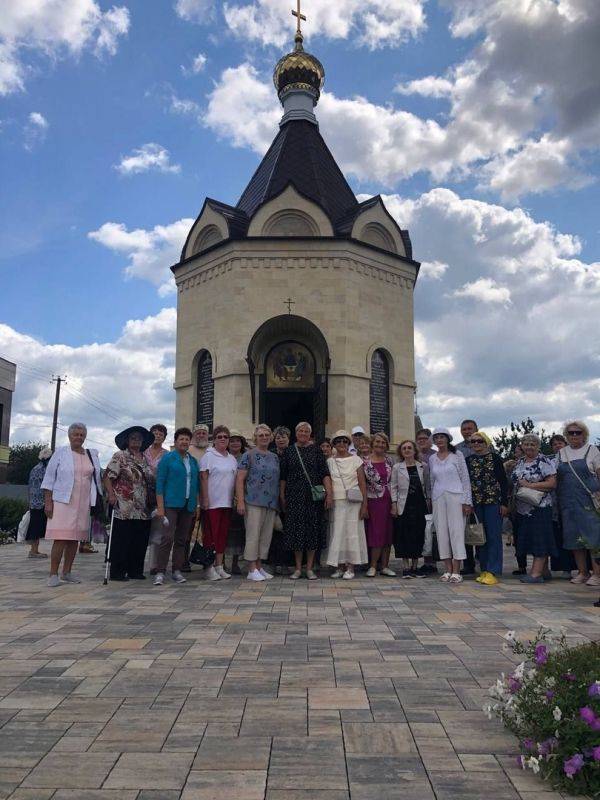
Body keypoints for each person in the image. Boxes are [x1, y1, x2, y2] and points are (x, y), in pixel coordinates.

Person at [41, 422, 102, 587]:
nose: (79, 437)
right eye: (76, 434)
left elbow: (97, 478)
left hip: (83, 503)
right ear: (69, 436)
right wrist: (48, 501)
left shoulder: (91, 455)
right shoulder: (61, 453)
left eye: (82, 435)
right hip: (62, 501)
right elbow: (49, 479)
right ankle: (53, 574)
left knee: (75, 539)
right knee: (61, 538)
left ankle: (67, 572)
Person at [279, 421, 332, 580]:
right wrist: (282, 495)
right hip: (294, 497)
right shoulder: (289, 452)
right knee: (296, 531)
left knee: (312, 530)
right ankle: (297, 568)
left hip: (313, 498)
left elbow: (325, 474)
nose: (303, 434)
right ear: (296, 434)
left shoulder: (317, 451)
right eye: (300, 431)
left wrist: (329, 493)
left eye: (306, 431)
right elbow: (283, 476)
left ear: (310, 434)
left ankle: (309, 568)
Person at [104, 426, 155, 581]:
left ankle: (135, 570)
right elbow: (107, 476)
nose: (136, 441)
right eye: (133, 438)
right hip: (124, 504)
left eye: (139, 439)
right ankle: (117, 571)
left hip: (143, 507)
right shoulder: (120, 456)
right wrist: (111, 494)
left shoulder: (145, 459)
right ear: (127, 440)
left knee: (139, 539)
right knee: (122, 539)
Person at [556, 421, 600, 586]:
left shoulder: (592, 450)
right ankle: (582, 572)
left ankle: (597, 573)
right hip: (568, 501)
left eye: (578, 432)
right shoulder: (561, 453)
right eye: (571, 433)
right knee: (574, 538)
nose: (574, 435)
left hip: (588, 501)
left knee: (593, 538)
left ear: (585, 434)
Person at [155, 427, 200, 586]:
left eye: (187, 439)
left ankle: (177, 570)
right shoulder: (168, 458)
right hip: (171, 504)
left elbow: (196, 484)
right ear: (175, 441)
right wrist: (160, 507)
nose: (184, 442)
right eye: (181, 439)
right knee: (167, 537)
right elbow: (159, 483)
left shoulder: (193, 461)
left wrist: (196, 504)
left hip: (188, 505)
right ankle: (160, 571)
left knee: (182, 539)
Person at [236, 424, 280, 582]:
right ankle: (251, 568)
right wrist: (240, 501)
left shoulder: (274, 457)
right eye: (260, 435)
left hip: (270, 502)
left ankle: (260, 566)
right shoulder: (249, 455)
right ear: (255, 437)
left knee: (265, 536)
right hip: (253, 501)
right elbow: (240, 479)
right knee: (253, 535)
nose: (264, 437)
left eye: (266, 435)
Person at [511, 433, 557, 583]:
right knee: (529, 539)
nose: (529, 447)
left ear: (538, 446)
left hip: (540, 506)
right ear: (522, 446)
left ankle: (536, 573)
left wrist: (530, 485)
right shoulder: (521, 462)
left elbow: (552, 483)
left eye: (533, 444)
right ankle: (544, 571)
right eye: (526, 444)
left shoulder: (543, 461)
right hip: (522, 508)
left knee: (540, 538)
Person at [429, 427, 472, 583]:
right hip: (438, 498)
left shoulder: (457, 455)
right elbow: (432, 482)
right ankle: (447, 570)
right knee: (442, 533)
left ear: (447, 439)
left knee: (457, 532)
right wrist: (432, 501)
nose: (439, 440)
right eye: (436, 437)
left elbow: (465, 479)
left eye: (442, 437)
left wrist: (467, 501)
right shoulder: (432, 458)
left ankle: (456, 570)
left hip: (456, 497)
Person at [465, 431, 509, 585]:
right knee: (480, 536)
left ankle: (493, 570)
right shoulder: (468, 460)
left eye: (480, 441)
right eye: (473, 441)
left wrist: (504, 503)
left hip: (492, 501)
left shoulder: (495, 458)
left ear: (486, 442)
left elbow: (503, 482)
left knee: (493, 536)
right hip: (476, 503)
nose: (476, 444)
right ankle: (484, 568)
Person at [326, 431, 368, 579]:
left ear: (348, 443)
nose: (341, 444)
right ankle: (339, 565)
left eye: (344, 441)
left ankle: (351, 566)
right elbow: (328, 481)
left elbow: (362, 483)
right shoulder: (330, 461)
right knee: (338, 532)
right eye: (338, 441)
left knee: (352, 532)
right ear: (334, 444)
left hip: (353, 501)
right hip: (337, 500)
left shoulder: (356, 460)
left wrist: (365, 506)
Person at [200, 425, 238, 580]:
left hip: (227, 503)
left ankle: (219, 566)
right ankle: (208, 567)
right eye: (219, 437)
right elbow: (203, 478)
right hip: (212, 503)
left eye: (225, 437)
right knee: (210, 536)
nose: (223, 439)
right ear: (214, 440)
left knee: (222, 536)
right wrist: (205, 499)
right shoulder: (208, 456)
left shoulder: (232, 458)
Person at [391, 440, 430, 578]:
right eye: (404, 448)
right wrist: (394, 504)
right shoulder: (397, 467)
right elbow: (393, 487)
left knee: (418, 534)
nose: (407, 450)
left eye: (409, 448)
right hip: (404, 505)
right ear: (401, 452)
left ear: (414, 450)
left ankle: (415, 566)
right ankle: (406, 567)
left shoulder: (423, 466)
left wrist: (429, 502)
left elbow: (427, 486)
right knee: (404, 535)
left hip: (419, 505)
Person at [363, 433, 395, 577]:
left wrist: (395, 503)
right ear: (372, 443)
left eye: (383, 442)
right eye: (377, 442)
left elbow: (394, 482)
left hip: (388, 500)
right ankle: (373, 565)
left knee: (388, 532)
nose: (380, 444)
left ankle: (385, 565)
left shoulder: (390, 461)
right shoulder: (364, 462)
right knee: (376, 532)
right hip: (373, 501)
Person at [548, 434, 575, 577]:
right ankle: (564, 567)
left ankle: (578, 567)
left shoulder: (573, 459)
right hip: (555, 504)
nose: (557, 446)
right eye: (554, 444)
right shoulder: (550, 461)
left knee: (571, 534)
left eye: (560, 443)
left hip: (571, 501)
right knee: (558, 536)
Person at [144, 424, 169, 575]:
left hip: (159, 495)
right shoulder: (142, 452)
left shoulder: (167, 455)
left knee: (157, 530)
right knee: (141, 530)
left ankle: (154, 565)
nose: (157, 435)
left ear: (164, 437)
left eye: (161, 434)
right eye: (155, 433)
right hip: (141, 495)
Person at [455, 419, 478, 575]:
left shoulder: (486, 445)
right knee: (467, 530)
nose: (467, 431)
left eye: (470, 429)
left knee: (483, 530)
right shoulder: (456, 450)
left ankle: (486, 562)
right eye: (464, 429)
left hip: (483, 494)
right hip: (463, 494)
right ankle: (468, 564)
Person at [226, 430, 248, 575]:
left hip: (241, 499)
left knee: (238, 533)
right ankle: (220, 562)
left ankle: (234, 563)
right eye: (232, 440)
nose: (235, 443)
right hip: (224, 498)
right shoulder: (224, 457)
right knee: (224, 531)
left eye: (237, 440)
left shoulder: (245, 458)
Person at [25, 446, 53, 558]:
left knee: (34, 526)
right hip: (40, 502)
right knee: (36, 527)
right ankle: (33, 551)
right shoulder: (44, 470)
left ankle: (34, 550)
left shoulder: (35, 468)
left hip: (33, 502)